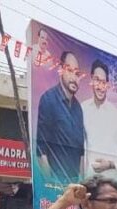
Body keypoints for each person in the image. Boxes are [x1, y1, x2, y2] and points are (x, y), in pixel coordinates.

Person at [36, 51, 86, 184]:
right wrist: (50, 185)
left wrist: (81, 184)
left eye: (77, 74)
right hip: (56, 184)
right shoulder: (48, 100)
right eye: (70, 71)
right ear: (60, 70)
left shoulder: (78, 109)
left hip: (75, 186)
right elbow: (41, 151)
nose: (74, 78)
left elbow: (81, 154)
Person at [81, 59, 117, 180]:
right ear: (91, 80)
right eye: (97, 80)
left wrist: (110, 164)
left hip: (111, 182)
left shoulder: (116, 114)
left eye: (103, 82)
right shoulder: (83, 109)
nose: (100, 86)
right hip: (89, 181)